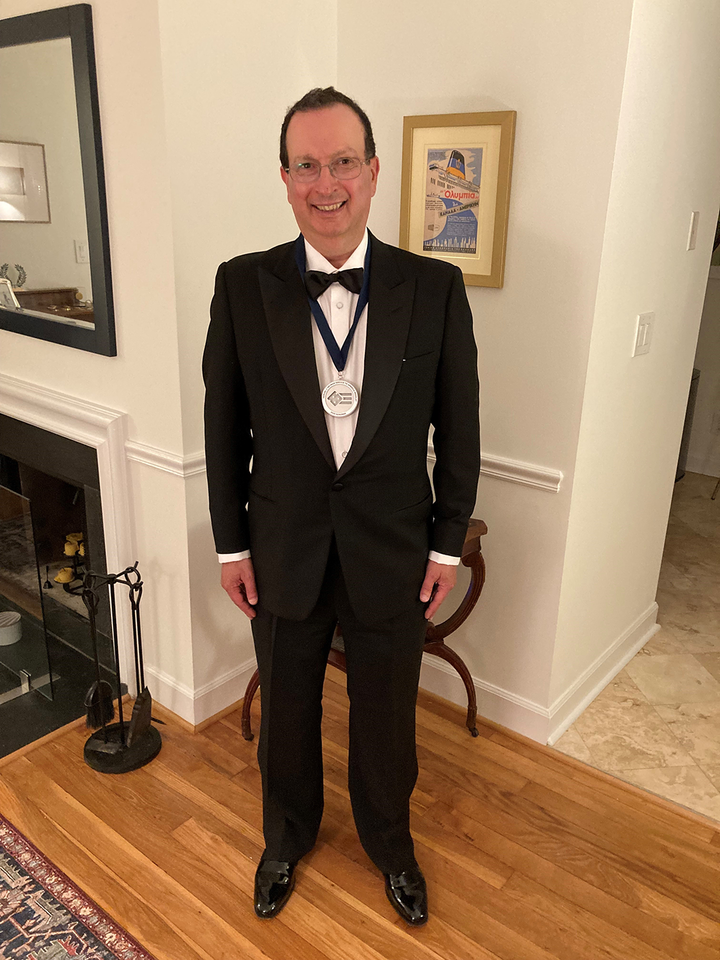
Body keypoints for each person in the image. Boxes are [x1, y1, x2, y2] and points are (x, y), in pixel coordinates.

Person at [203, 87, 480, 925]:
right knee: (286, 709)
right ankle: (284, 839)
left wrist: (444, 547)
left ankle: (390, 844)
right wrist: (229, 546)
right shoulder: (241, 286)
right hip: (282, 546)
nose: (328, 184)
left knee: (388, 714)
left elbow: (459, 429)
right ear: (284, 179)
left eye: (344, 162)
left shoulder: (434, 287)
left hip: (394, 551)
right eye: (308, 165)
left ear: (374, 170)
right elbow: (223, 428)